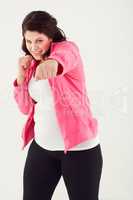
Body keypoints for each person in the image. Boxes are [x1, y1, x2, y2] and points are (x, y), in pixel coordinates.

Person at [13, 10, 103, 200]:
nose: (33, 47)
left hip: (79, 150)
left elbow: (65, 57)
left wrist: (53, 63)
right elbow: (24, 108)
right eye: (28, 41)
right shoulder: (31, 66)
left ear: (51, 37)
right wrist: (20, 77)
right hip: (42, 149)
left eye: (39, 40)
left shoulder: (67, 50)